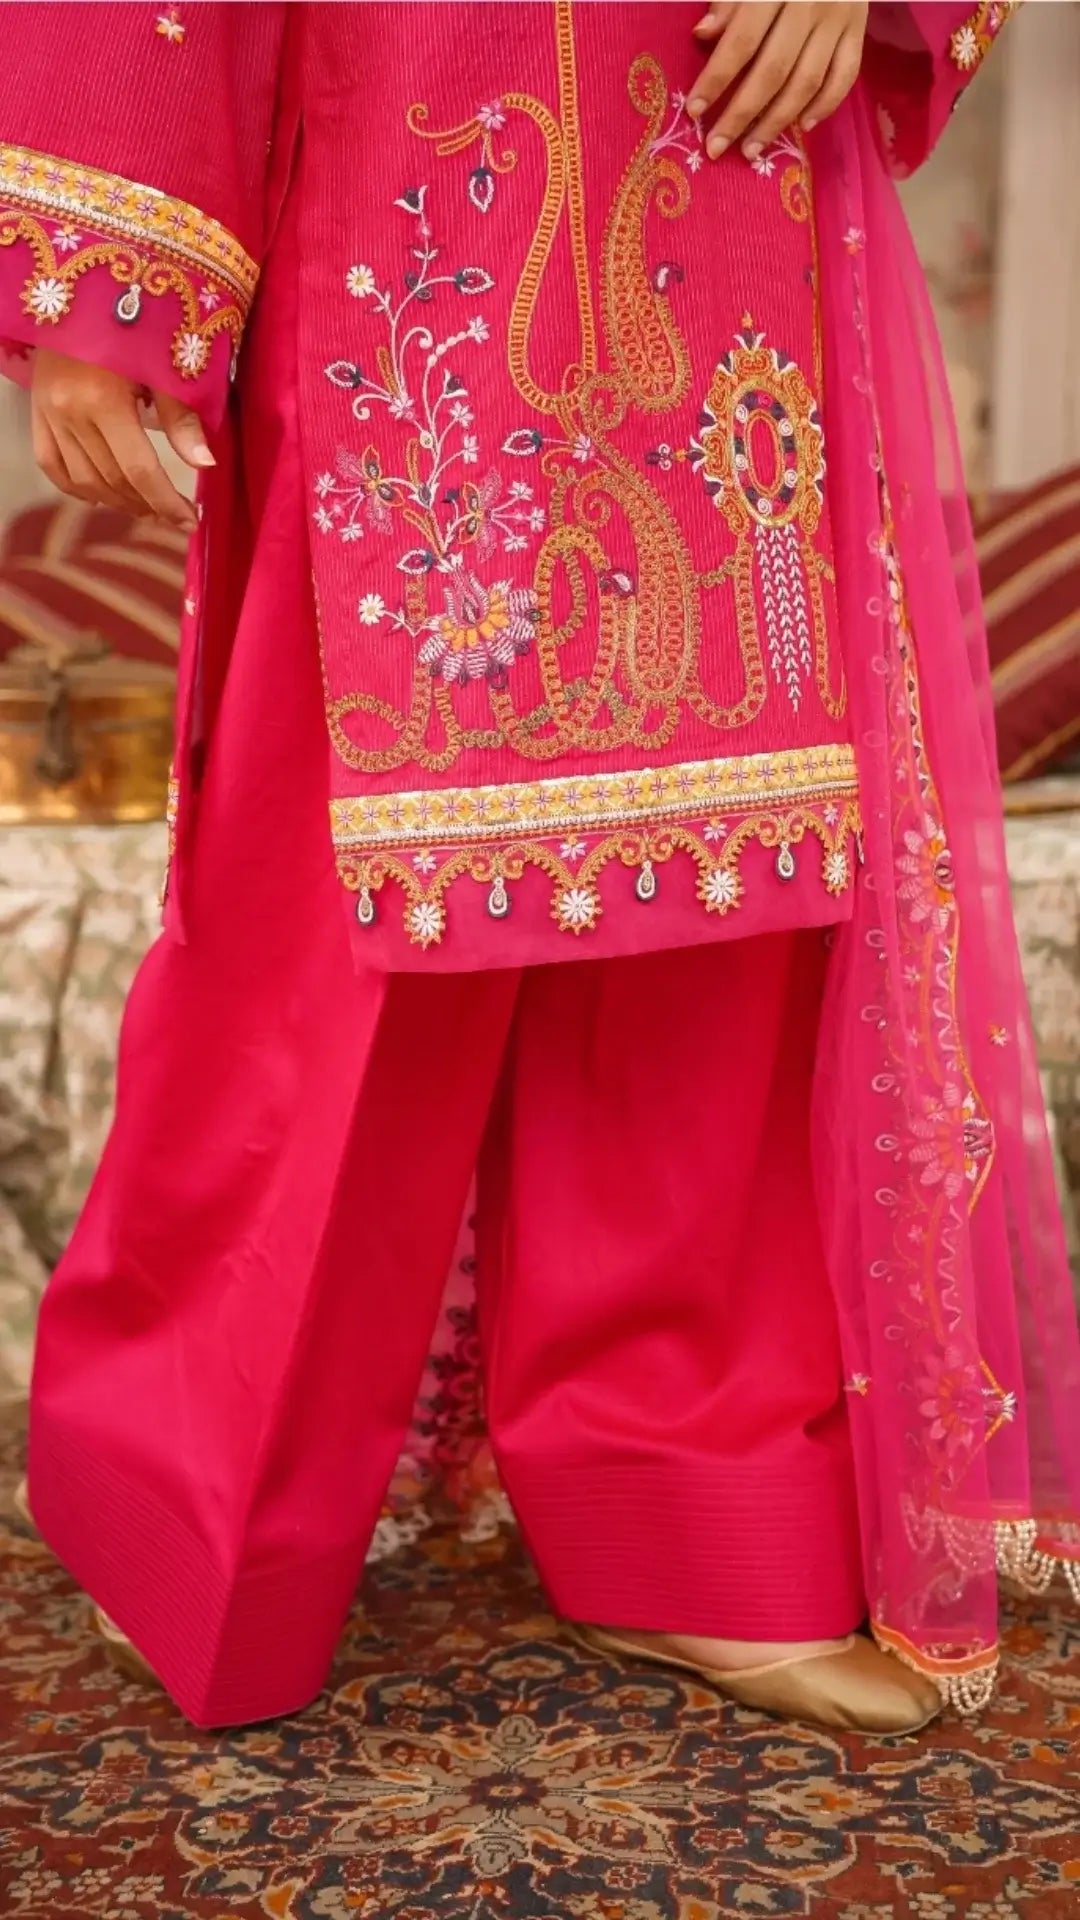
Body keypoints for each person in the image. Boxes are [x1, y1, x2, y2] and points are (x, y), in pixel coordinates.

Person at [2, 0, 1077, 1735]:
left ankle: (688, 1507)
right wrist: (97, 272)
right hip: (399, 152)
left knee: (718, 869)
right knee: (338, 899)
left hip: (721, 141)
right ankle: (191, 1494)